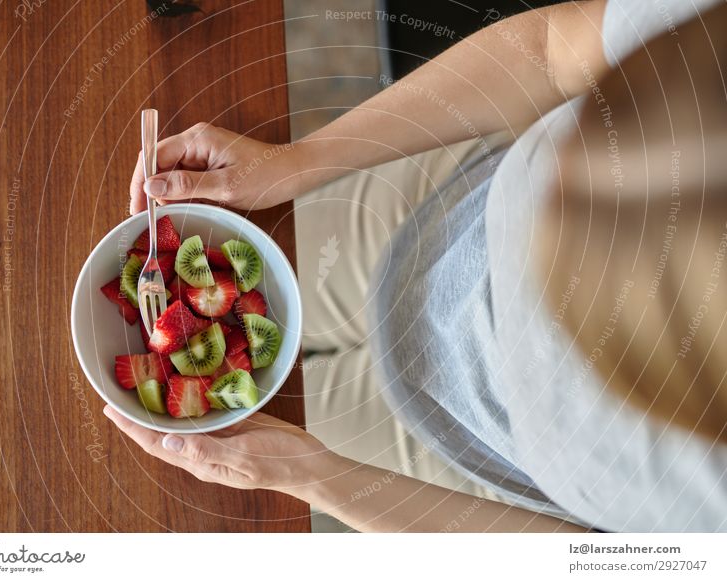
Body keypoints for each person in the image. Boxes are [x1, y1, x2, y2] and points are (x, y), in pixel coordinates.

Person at [106, 0, 727, 532]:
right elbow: (548, 48)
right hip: (431, 208)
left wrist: (311, 474)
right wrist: (297, 163)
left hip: (452, 458)